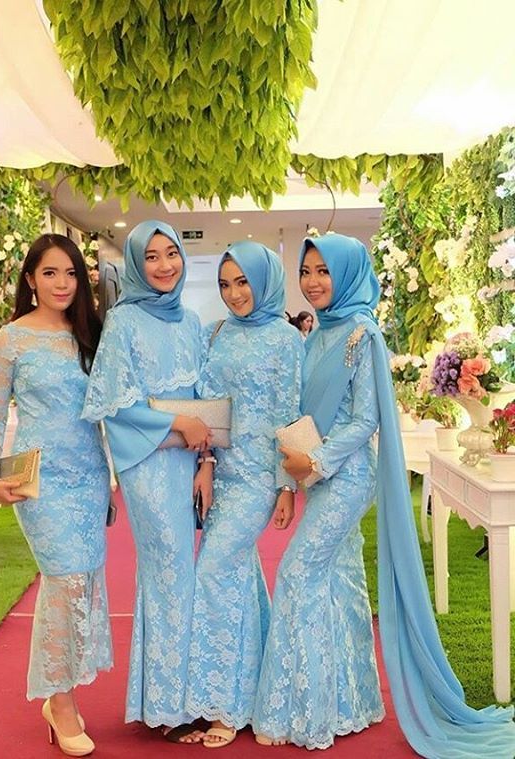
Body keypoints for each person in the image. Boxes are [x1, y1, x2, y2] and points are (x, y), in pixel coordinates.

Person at [252, 233, 515, 757]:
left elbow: (366, 418)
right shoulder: (317, 333)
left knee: (298, 573)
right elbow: (302, 413)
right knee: (341, 582)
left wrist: (320, 461)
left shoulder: (361, 333)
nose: (313, 281)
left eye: (324, 271)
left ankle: (302, 708)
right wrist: (292, 477)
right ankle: (350, 703)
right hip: (315, 475)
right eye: (306, 271)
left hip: (346, 477)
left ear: (347, 272)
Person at [0, 233, 111, 757]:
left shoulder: (90, 333)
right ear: (31, 279)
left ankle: (65, 691)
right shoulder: (9, 340)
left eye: (71, 274)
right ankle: (60, 704)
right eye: (50, 273)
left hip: (89, 476)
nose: (62, 283)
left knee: (82, 583)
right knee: (62, 582)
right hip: (37, 480)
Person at [81, 221, 211, 737]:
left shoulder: (192, 321)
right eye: (151, 257)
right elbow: (113, 403)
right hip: (150, 464)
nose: (163, 265)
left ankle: (186, 693)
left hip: (190, 463)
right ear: (137, 264)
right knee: (169, 574)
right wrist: (179, 424)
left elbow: (208, 402)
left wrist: (207, 462)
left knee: (186, 576)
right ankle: (168, 706)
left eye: (171, 253)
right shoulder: (125, 322)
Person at [183, 241, 304, 748]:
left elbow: (289, 412)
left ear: (264, 280)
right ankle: (251, 693)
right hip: (224, 473)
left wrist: (285, 485)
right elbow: (209, 408)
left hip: (258, 478)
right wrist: (206, 465)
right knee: (238, 576)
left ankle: (226, 707)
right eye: (226, 284)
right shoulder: (218, 335)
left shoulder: (285, 339)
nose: (234, 294)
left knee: (214, 569)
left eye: (243, 282)